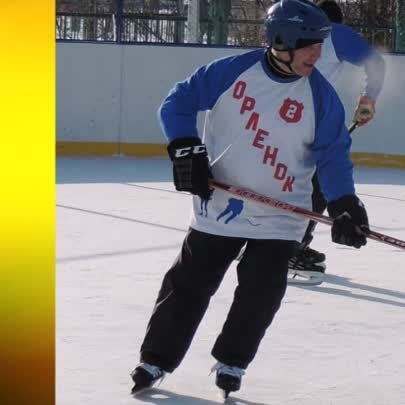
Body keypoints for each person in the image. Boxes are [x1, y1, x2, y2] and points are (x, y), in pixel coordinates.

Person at [130, 0, 370, 398]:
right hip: (220, 205)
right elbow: (177, 103)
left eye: (320, 45)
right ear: (282, 41)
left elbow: (333, 154)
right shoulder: (231, 71)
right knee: (188, 284)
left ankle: (232, 360)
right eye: (310, 44)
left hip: (281, 215)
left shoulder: (322, 97)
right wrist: (185, 146)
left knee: (260, 293)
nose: (318, 53)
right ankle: (156, 357)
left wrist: (344, 201)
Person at [286, 0, 385, 285]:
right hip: (310, 123)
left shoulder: (288, 35)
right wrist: (368, 99)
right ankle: (288, 249)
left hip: (279, 117)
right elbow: (375, 62)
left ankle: (270, 242)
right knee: (315, 185)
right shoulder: (333, 33)